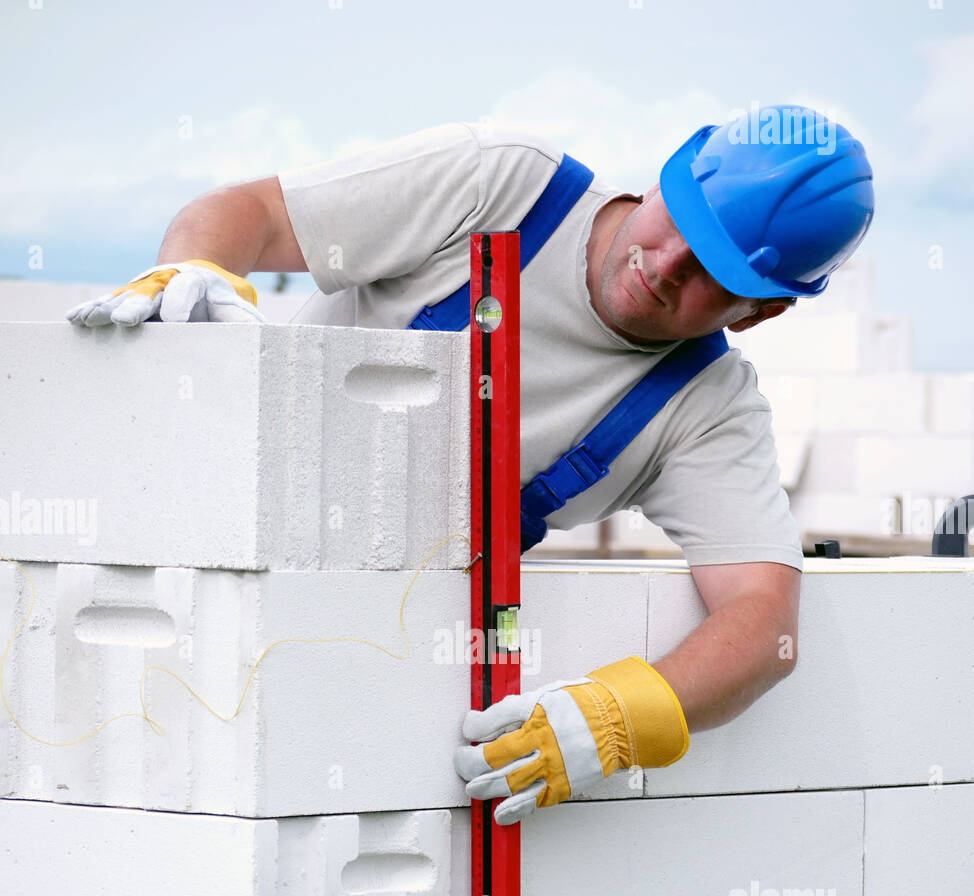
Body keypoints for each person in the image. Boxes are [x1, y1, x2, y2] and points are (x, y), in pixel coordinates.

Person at [67, 107, 874, 825]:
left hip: (355, 670)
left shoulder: (706, 407)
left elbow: (765, 624)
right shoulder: (503, 185)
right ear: (666, 175)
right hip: (191, 559)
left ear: (762, 311)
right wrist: (197, 268)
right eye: (680, 227)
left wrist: (620, 718)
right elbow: (251, 214)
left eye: (712, 277)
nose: (665, 268)